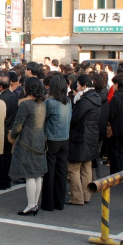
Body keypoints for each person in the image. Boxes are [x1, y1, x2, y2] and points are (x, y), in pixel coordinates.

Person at [9, 76, 47, 214]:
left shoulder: (25, 105)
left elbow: (17, 125)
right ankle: (34, 204)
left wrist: (12, 136)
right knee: (38, 174)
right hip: (40, 139)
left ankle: (31, 205)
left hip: (27, 140)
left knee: (29, 174)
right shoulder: (42, 103)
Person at [67, 74, 101, 206]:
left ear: (84, 86)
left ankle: (77, 197)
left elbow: (75, 118)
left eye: (79, 86)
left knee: (73, 168)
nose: (78, 88)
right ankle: (86, 195)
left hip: (80, 136)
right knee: (87, 167)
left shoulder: (85, 101)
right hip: (92, 135)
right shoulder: (97, 98)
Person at [42, 75, 72, 211]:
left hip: (52, 139)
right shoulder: (68, 101)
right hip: (65, 138)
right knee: (61, 171)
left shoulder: (50, 103)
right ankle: (59, 202)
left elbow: (43, 118)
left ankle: (48, 203)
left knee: (50, 172)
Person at [0, 73, 19, 190]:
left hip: (3, 129)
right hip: (10, 129)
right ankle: (5, 180)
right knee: (7, 157)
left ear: (1, 87)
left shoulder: (1, 99)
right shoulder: (13, 96)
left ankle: (1, 181)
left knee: (1, 158)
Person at [106, 73, 123, 174]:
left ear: (116, 84)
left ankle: (115, 173)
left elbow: (111, 114)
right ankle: (120, 172)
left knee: (114, 152)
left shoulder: (116, 98)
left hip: (114, 128)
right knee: (119, 151)